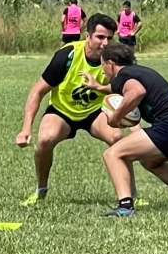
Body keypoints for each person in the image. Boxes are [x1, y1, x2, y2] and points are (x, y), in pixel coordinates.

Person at [16, 14, 144, 207]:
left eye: (109, 38)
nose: (105, 43)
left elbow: (129, 93)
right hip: (62, 111)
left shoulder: (114, 60)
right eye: (100, 37)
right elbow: (37, 91)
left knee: (117, 138)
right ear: (87, 36)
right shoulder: (67, 56)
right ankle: (40, 191)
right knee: (45, 139)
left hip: (96, 112)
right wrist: (26, 129)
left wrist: (135, 126)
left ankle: (132, 194)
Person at [80, 42, 168, 217]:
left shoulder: (123, 76)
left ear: (111, 63)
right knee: (150, 162)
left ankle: (125, 207)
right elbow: (126, 88)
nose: (102, 70)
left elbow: (136, 92)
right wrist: (98, 87)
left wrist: (115, 119)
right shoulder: (138, 71)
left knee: (112, 154)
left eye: (103, 65)